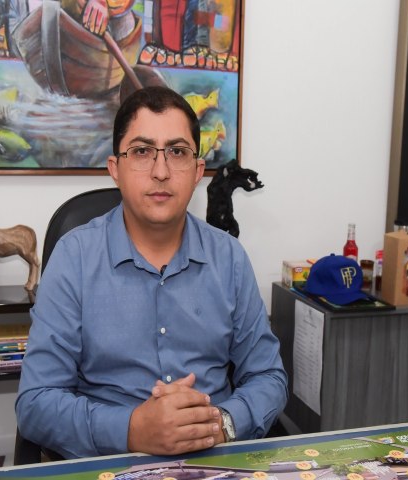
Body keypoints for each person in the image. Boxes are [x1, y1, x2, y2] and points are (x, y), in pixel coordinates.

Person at [15, 86, 288, 459]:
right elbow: (36, 403)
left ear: (197, 171)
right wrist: (131, 430)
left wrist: (220, 424)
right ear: (115, 169)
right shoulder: (74, 258)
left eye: (177, 152)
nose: (161, 172)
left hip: (214, 457)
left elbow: (268, 377)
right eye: (142, 152)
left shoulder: (229, 258)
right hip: (109, 463)